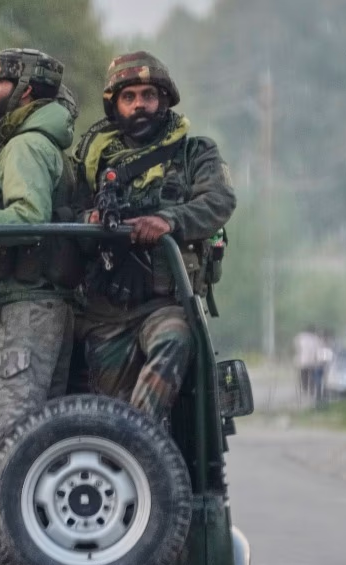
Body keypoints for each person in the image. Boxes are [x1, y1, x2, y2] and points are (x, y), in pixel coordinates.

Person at [72, 51, 236, 426]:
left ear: (164, 100)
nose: (139, 105)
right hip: (105, 311)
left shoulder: (195, 152)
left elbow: (219, 201)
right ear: (115, 106)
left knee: (174, 338)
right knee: (104, 414)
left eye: (148, 95)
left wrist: (168, 220)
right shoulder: (93, 160)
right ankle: (128, 442)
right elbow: (64, 213)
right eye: (128, 97)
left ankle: (140, 437)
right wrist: (88, 221)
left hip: (165, 304)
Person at [0, 48, 79, 454]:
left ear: (25, 92)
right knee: (38, 446)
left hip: (23, 312)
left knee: (9, 445)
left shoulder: (25, 147)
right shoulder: (48, 145)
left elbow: (29, 217)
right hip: (47, 307)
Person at [293, 325, 322, 399]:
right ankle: (311, 390)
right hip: (313, 361)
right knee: (312, 377)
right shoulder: (316, 338)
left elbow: (297, 347)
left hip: (302, 360)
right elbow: (318, 350)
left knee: (303, 376)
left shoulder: (300, 337)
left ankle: (304, 389)